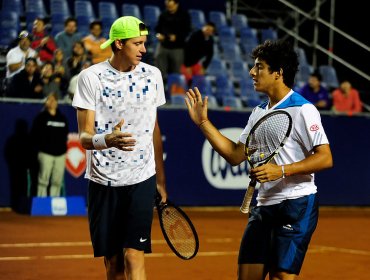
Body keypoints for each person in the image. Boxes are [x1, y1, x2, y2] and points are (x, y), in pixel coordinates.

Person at [184, 39, 333, 280]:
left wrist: (281, 170)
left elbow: (325, 158)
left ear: (278, 73)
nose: (252, 72)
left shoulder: (304, 109)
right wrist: (203, 123)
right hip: (264, 206)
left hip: (296, 204)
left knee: (281, 276)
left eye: (259, 66)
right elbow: (235, 155)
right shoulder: (259, 112)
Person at [72, 16, 167, 279]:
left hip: (141, 178)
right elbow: (84, 136)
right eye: (137, 43)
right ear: (118, 44)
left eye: (144, 43)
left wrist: (160, 180)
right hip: (103, 181)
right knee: (113, 263)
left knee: (134, 255)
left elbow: (154, 128)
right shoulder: (90, 78)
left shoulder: (153, 75)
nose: (144, 50)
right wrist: (107, 140)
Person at [30, 92, 69, 197]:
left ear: (57, 102)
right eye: (49, 100)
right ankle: (41, 204)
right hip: (45, 154)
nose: (52, 102)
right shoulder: (41, 118)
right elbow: (35, 135)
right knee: (43, 181)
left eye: (54, 100)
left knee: (57, 181)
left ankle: (54, 202)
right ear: (46, 102)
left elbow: (66, 135)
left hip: (60, 154)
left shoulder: (62, 118)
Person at [154, 0, 191, 84]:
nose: (169, 8)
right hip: (163, 46)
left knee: (176, 74)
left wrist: (177, 37)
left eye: (171, 6)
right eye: (167, 6)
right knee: (159, 71)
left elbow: (187, 31)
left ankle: (174, 92)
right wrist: (158, 35)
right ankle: (160, 89)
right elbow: (157, 29)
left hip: (177, 48)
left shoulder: (184, 15)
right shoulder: (163, 14)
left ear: (176, 4)